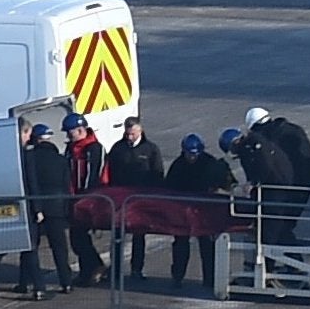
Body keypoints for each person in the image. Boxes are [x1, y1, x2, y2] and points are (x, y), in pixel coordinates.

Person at [246, 106, 310, 254]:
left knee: (278, 228)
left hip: (286, 189)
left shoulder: (266, 138)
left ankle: (291, 264)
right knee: (283, 227)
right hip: (305, 186)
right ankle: (291, 264)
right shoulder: (293, 129)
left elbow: (268, 166)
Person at [218, 126, 294, 275]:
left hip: (274, 195)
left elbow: (264, 167)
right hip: (275, 193)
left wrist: (253, 183)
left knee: (270, 233)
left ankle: (268, 270)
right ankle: (286, 266)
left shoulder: (252, 148)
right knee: (278, 231)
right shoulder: (255, 144)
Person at [0, 119, 46, 300]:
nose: (29, 137)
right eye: (28, 133)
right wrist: (38, 208)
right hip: (22, 206)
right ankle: (39, 288)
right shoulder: (26, 155)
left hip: (0, 206)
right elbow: (31, 182)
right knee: (29, 248)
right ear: (22, 133)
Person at [165, 133, 237, 290]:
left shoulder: (210, 163)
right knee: (181, 245)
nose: (191, 157)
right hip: (183, 211)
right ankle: (177, 276)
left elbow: (227, 182)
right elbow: (168, 187)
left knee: (207, 246)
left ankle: (209, 279)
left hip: (205, 212)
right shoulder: (178, 165)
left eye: (194, 154)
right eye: (189, 154)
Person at [106, 115, 164, 281]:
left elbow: (157, 174)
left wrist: (154, 197)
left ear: (140, 131)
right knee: (117, 235)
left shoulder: (151, 149)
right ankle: (115, 270)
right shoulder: (118, 149)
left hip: (141, 199)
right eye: (127, 134)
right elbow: (110, 172)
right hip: (120, 200)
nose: (130, 137)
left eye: (132, 134)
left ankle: (137, 269)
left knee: (139, 236)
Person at [26, 123, 75, 293]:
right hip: (57, 208)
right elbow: (67, 184)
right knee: (60, 248)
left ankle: (28, 283)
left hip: (35, 207)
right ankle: (66, 282)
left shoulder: (30, 158)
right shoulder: (60, 159)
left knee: (31, 247)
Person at [64, 112, 109, 285]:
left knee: (80, 237)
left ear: (81, 129)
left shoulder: (94, 148)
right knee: (77, 238)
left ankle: (94, 267)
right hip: (75, 199)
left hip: (88, 201)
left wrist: (86, 198)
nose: (68, 135)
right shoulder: (72, 148)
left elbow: (93, 176)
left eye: (71, 132)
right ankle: (90, 270)